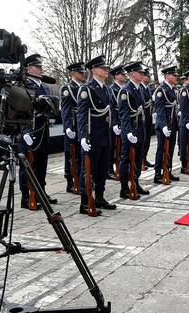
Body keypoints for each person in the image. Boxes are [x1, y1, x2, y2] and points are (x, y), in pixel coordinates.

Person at [77, 55, 117, 215]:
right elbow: (81, 115)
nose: (106, 70)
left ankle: (99, 197)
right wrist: (82, 137)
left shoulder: (107, 89)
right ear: (94, 70)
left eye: (107, 68)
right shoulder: (87, 89)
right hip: (92, 135)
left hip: (105, 135)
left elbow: (111, 112)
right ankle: (85, 202)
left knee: (102, 169)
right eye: (103, 68)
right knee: (88, 169)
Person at [20, 54, 57, 209]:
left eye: (41, 67)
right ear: (28, 68)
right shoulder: (24, 85)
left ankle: (40, 191)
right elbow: (20, 110)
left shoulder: (43, 86)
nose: (41, 69)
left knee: (41, 164)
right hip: (31, 130)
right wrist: (25, 131)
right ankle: (26, 196)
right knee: (28, 165)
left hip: (42, 129)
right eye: (38, 66)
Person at [117, 60, 150, 197]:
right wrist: (128, 131)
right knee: (126, 159)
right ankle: (125, 188)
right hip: (130, 130)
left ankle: (135, 183)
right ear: (131, 74)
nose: (142, 74)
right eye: (139, 72)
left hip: (140, 130)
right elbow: (124, 113)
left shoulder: (140, 89)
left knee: (138, 159)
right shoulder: (125, 90)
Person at [60, 62, 86, 193]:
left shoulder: (84, 87)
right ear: (72, 74)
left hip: (82, 125)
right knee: (70, 155)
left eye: (83, 72)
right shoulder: (67, 88)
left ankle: (81, 179)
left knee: (81, 155)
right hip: (73, 125)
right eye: (80, 72)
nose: (83, 74)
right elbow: (65, 109)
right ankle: (70, 181)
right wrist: (68, 127)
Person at [153, 65, 180, 184]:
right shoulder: (161, 90)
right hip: (163, 125)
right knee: (161, 149)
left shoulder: (172, 89)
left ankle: (167, 170)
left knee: (170, 148)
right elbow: (160, 109)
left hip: (172, 124)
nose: (176, 77)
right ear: (167, 76)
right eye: (174, 75)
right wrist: (164, 126)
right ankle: (158, 173)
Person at [108, 65, 127, 180]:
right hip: (115, 121)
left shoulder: (123, 89)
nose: (124, 76)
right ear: (116, 76)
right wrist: (114, 123)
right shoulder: (111, 89)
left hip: (123, 121)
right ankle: (110, 169)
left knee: (121, 146)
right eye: (122, 74)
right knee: (112, 147)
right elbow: (111, 107)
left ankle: (120, 167)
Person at [141, 69, 155, 169]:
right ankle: (141, 160)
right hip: (142, 118)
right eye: (147, 76)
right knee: (142, 140)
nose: (149, 78)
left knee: (147, 141)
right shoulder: (140, 88)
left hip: (149, 118)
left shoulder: (148, 89)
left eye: (149, 76)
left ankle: (144, 158)